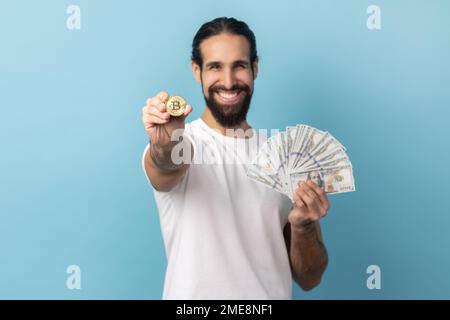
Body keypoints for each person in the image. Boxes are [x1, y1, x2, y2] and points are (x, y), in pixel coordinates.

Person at [141, 17, 330, 299]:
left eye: (239, 66)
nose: (228, 82)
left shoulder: (285, 161)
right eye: (215, 67)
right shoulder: (183, 144)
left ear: (255, 68)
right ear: (197, 70)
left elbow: (310, 277)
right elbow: (166, 164)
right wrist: (166, 143)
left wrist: (303, 227)